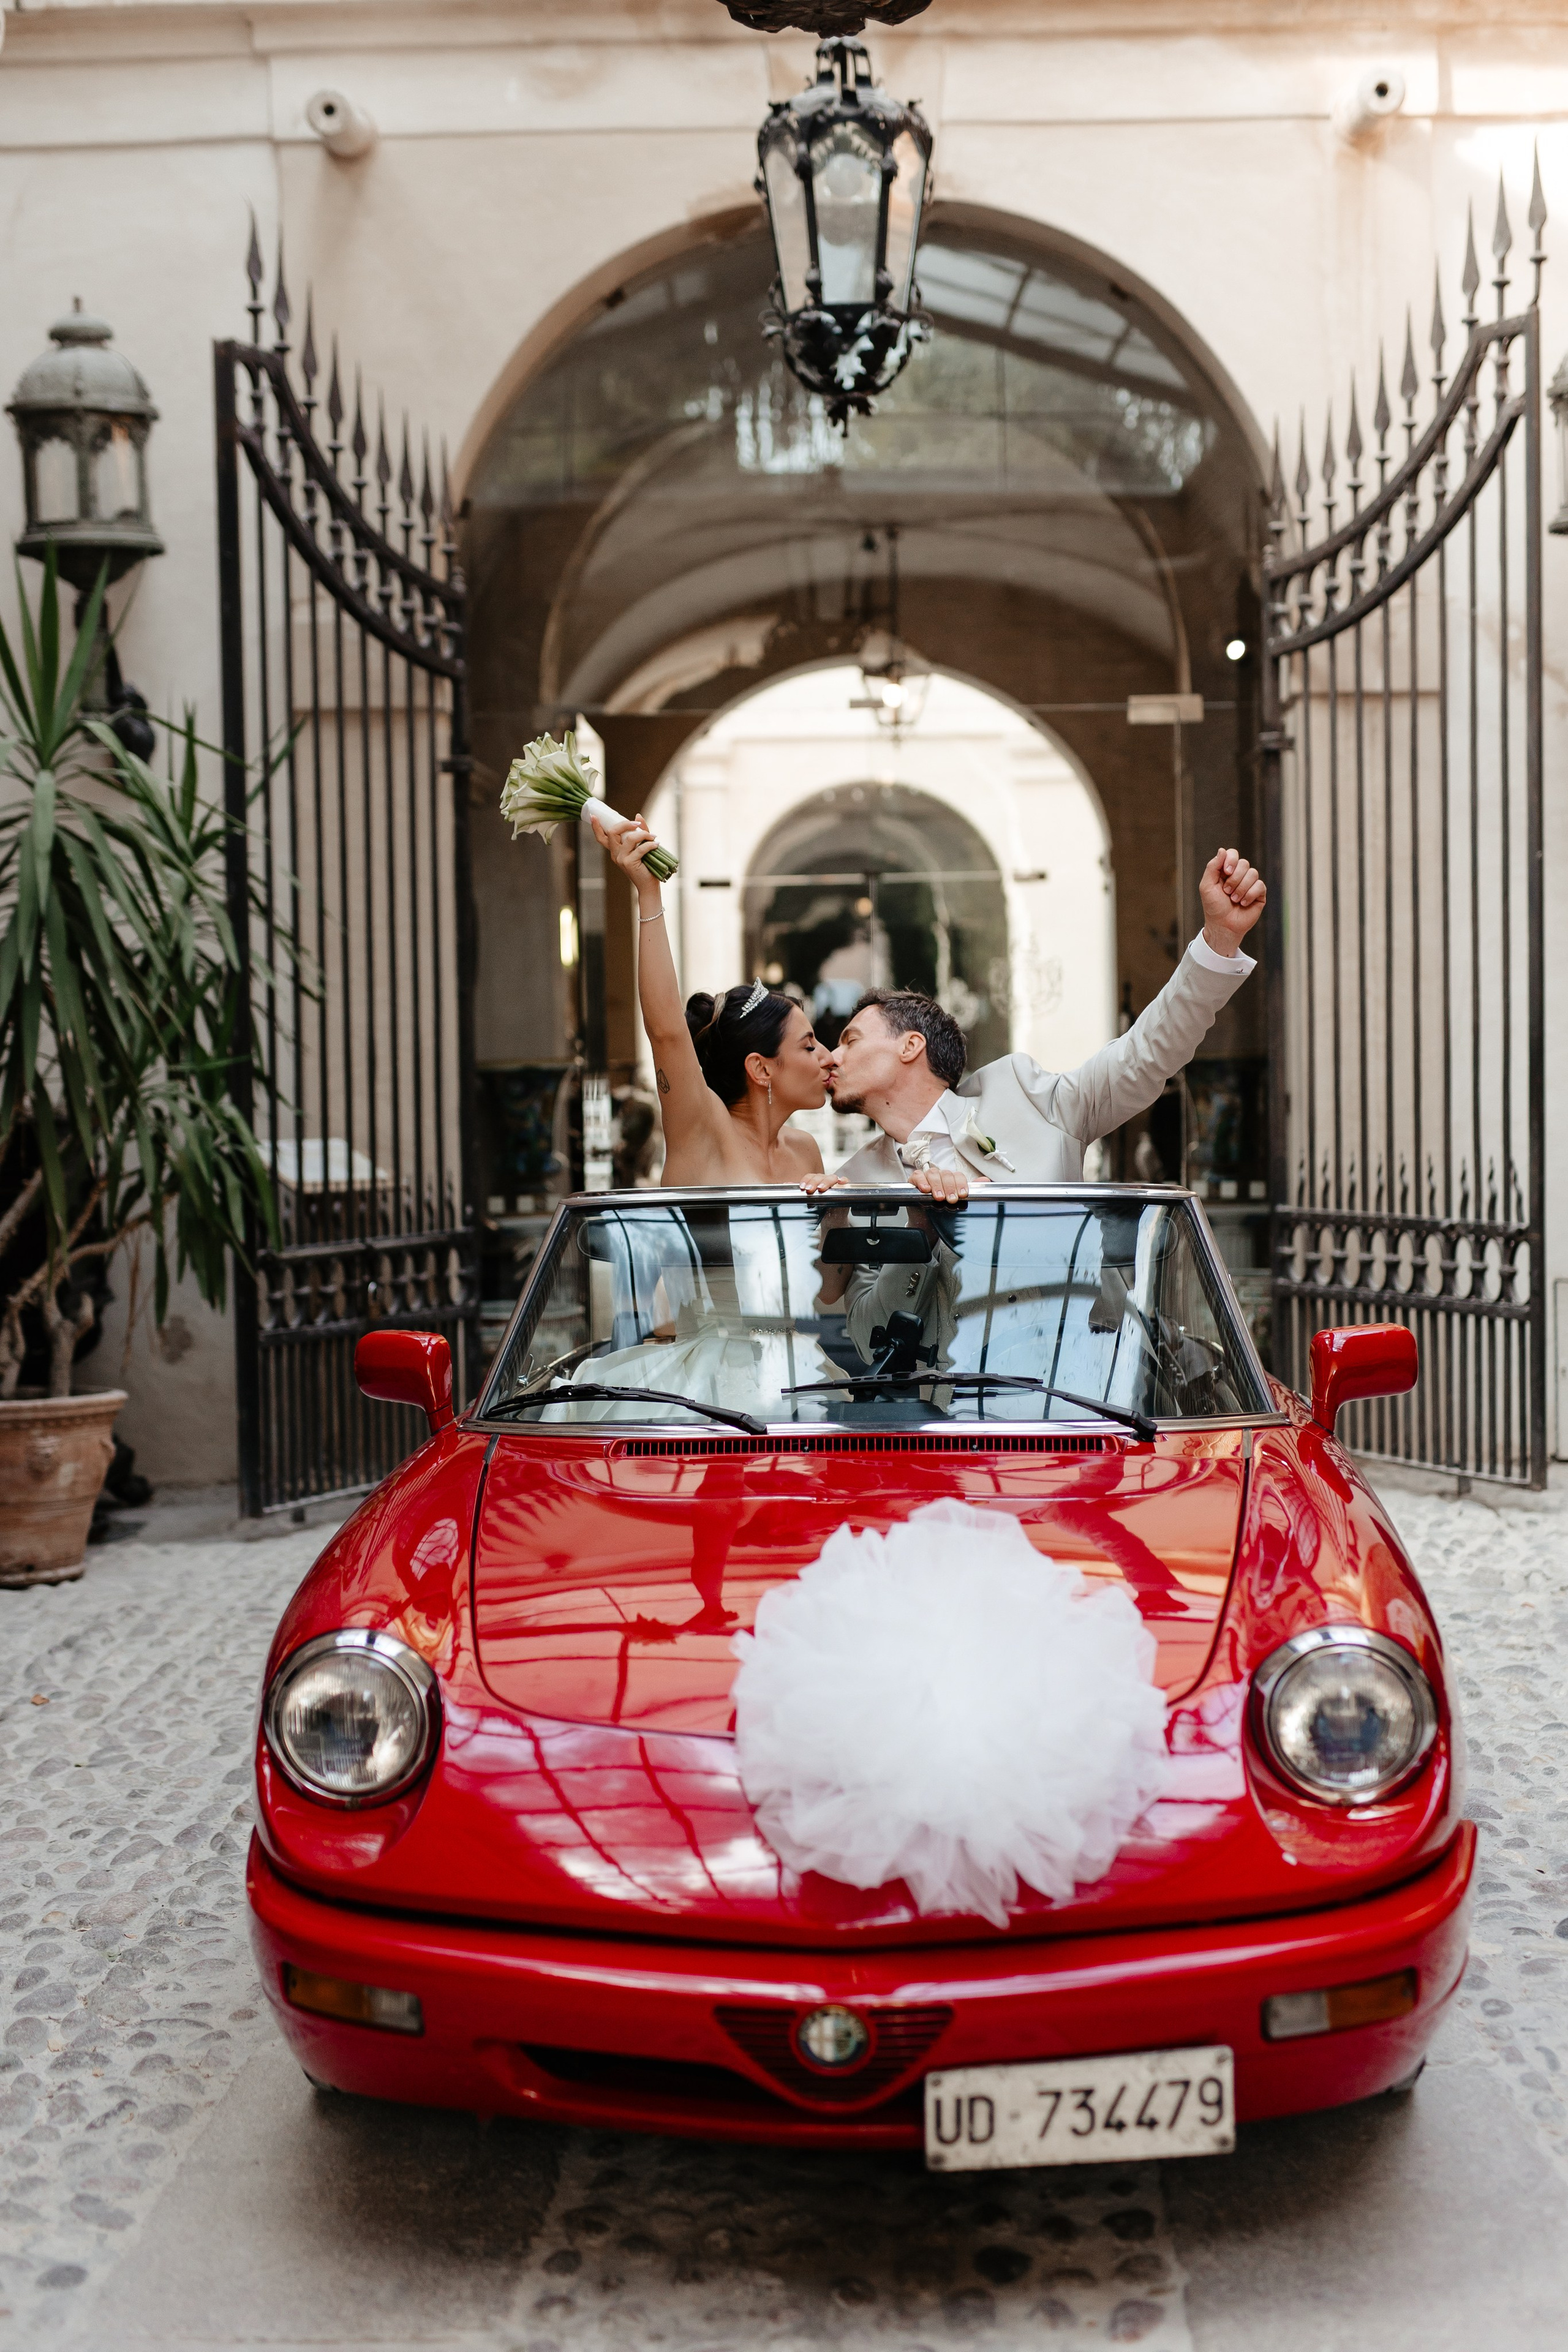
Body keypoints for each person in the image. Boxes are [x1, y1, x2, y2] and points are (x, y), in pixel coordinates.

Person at [825, 846, 1265, 1192]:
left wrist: (1219, 939)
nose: (832, 1056)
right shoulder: (853, 1181)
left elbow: (1144, 1055)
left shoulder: (1029, 1101)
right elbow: (847, 1287)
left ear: (910, 1046)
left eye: (851, 1040)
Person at [592, 812, 833, 1185]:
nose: (828, 1057)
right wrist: (649, 893)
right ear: (761, 1068)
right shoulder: (703, 1132)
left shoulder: (806, 1150)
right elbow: (667, 1033)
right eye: (809, 1046)